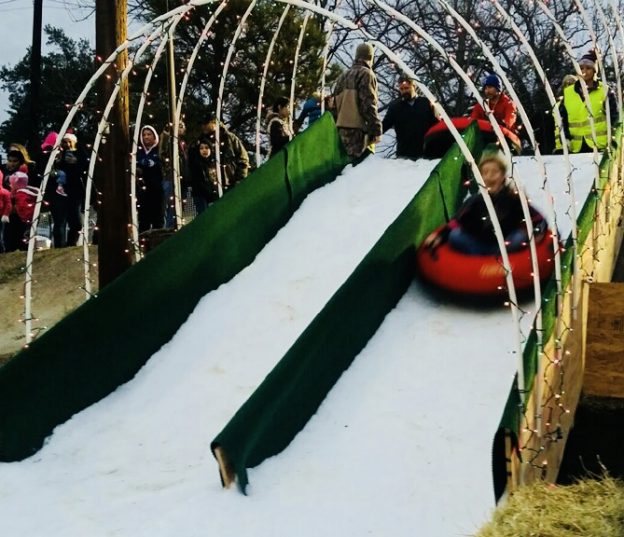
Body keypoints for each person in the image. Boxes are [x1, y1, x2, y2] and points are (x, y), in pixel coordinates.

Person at [423, 147, 546, 256]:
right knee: (455, 236)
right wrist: (440, 235)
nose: (489, 177)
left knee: (519, 237)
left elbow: (537, 218)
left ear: (503, 176)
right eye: (485, 173)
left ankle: (495, 259)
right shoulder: (475, 201)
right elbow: (456, 222)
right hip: (479, 244)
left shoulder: (513, 198)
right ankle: (480, 262)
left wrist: (538, 233)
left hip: (505, 244)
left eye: (494, 172)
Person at [559, 50, 618, 153]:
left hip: (601, 146)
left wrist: (613, 139)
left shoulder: (605, 91)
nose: (584, 71)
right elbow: (563, 119)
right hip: (575, 147)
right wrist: (565, 137)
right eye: (581, 68)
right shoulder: (568, 92)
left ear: (595, 70)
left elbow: (615, 118)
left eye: (588, 68)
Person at [333, 42, 383, 162]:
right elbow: (368, 104)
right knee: (357, 170)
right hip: (358, 133)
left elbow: (334, 106)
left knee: (344, 170)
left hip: (340, 131)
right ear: (371, 57)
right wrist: (376, 129)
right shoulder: (366, 74)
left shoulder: (342, 76)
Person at [382, 75, 437, 159]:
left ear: (414, 87)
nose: (404, 91)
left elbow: (437, 124)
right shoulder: (395, 107)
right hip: (404, 155)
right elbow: (383, 126)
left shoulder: (426, 103)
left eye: (407, 88)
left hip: (426, 154)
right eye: (402, 89)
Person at [193, 115, 249, 192]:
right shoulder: (201, 142)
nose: (203, 126)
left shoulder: (229, 138)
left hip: (233, 183)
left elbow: (243, 158)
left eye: (205, 124)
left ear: (213, 123)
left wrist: (240, 179)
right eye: (202, 124)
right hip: (213, 188)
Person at [50, 133, 87, 247]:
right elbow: (52, 169)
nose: (67, 144)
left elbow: (85, 167)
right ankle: (59, 247)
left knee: (76, 223)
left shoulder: (81, 153)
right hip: (59, 192)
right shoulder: (57, 154)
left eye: (69, 141)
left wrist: (75, 162)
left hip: (75, 192)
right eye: (65, 141)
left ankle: (71, 244)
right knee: (60, 222)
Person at [159, 121, 188, 229]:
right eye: (178, 126)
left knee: (180, 205)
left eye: (182, 127)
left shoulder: (183, 143)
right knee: (169, 205)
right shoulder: (168, 139)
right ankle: (168, 228)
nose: (180, 129)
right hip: (170, 176)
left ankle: (177, 226)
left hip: (183, 178)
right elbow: (162, 153)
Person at [136, 125, 164, 232]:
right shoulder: (139, 152)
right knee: (144, 220)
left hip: (157, 189)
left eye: (149, 134)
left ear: (154, 136)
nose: (146, 137)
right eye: (144, 135)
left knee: (158, 219)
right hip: (143, 191)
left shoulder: (159, 151)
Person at [6, 171, 39, 251]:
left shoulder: (21, 194)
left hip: (24, 219)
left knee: (24, 235)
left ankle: (26, 249)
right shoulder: (26, 192)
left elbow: (21, 206)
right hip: (28, 219)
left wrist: (15, 209)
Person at [187, 137, 219, 215]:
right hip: (200, 195)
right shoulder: (196, 164)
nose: (204, 150)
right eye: (201, 148)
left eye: (207, 148)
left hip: (213, 195)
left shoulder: (215, 164)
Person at [553, 74, 577, 153]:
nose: (569, 86)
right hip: (561, 147)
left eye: (571, 83)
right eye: (567, 84)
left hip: (576, 146)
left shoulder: (580, 102)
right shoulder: (559, 104)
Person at [0, 170, 10, 253]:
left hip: (0, 217)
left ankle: (1, 250)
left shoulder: (4, 192)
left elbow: (8, 204)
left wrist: (5, 214)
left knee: (1, 235)